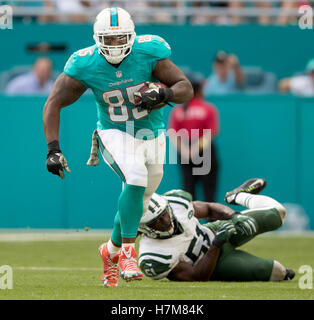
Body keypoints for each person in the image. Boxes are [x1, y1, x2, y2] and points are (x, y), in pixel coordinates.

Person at [43, 7, 193, 287]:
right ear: (96, 38)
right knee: (134, 177)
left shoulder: (149, 52)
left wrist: (165, 92)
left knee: (137, 203)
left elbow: (186, 87)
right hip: (113, 131)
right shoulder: (84, 64)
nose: (114, 45)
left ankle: (109, 251)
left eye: (120, 38)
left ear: (132, 36)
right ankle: (127, 254)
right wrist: (53, 148)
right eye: (107, 39)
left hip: (152, 132)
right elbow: (53, 103)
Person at [138, 178, 295, 282]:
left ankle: (238, 196)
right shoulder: (153, 257)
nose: (165, 221)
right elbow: (196, 276)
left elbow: (209, 208)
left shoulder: (176, 204)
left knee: (276, 214)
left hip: (215, 231)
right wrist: (217, 244)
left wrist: (234, 216)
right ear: (146, 228)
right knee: (278, 272)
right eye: (157, 222)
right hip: (212, 264)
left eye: (164, 214)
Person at [168, 71, 219, 202]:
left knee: (188, 194)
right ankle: (212, 222)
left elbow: (173, 134)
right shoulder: (208, 108)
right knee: (209, 194)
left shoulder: (178, 110)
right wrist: (195, 149)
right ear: (200, 89)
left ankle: (189, 221)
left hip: (186, 152)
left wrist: (186, 151)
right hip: (205, 152)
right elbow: (211, 133)